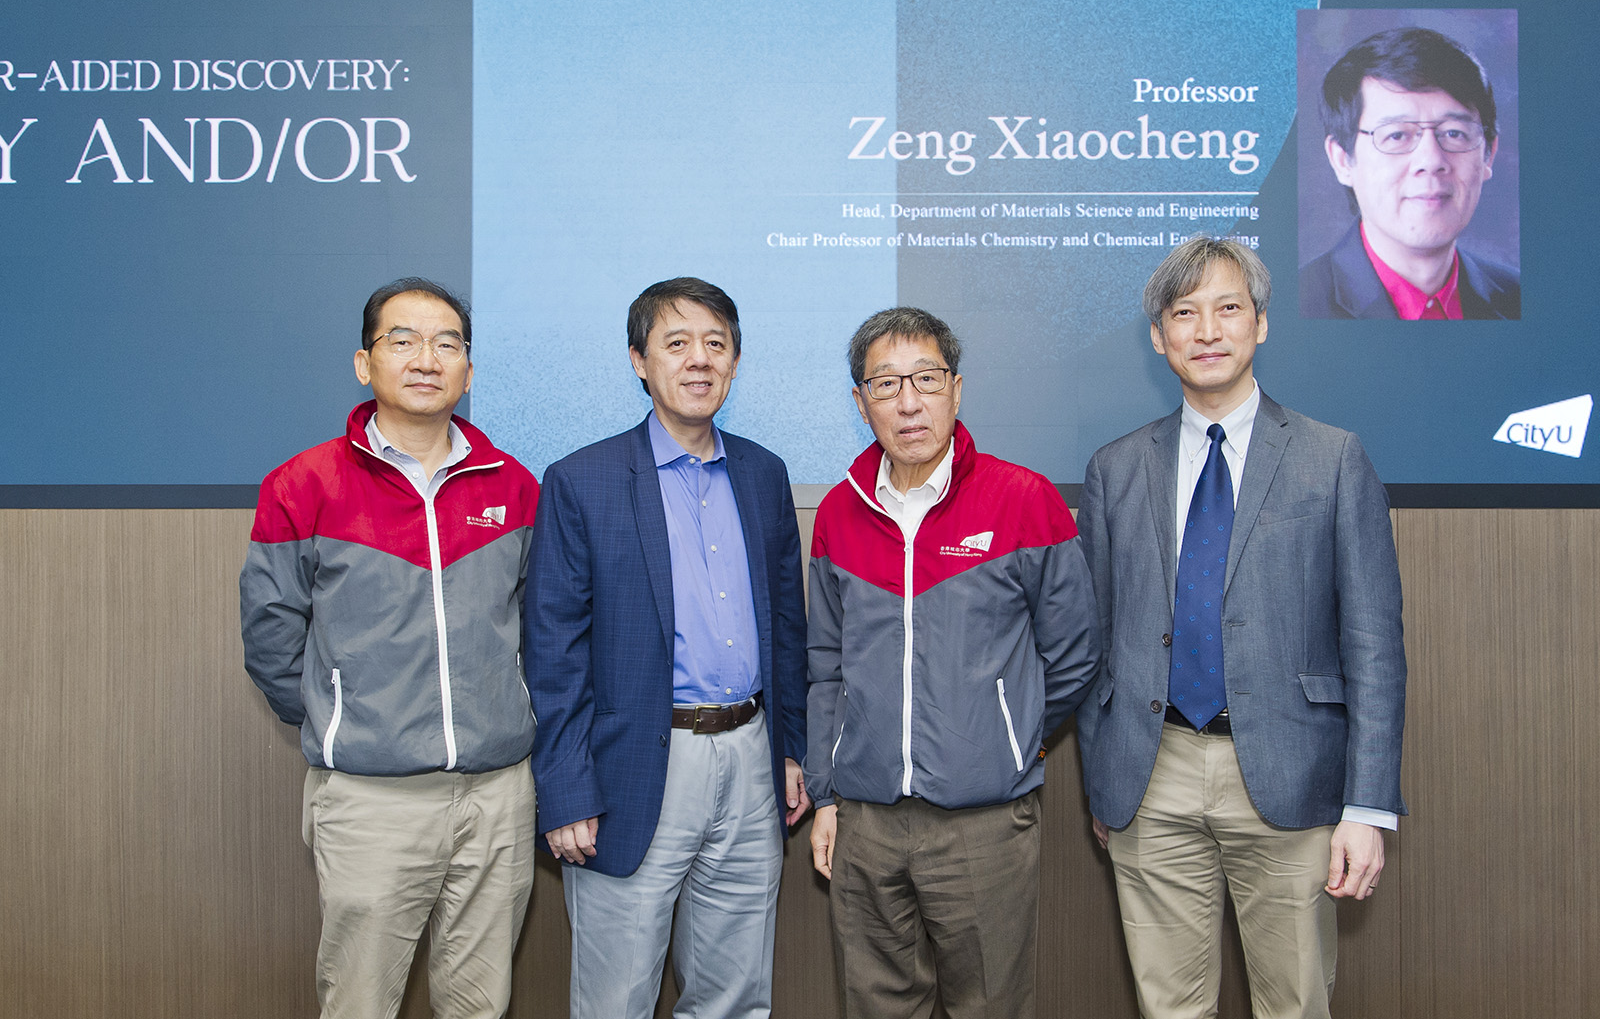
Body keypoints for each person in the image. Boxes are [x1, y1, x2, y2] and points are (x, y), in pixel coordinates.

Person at [1077, 236, 1407, 1019]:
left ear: (1261, 323)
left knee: (1294, 1002)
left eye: (1228, 308)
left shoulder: (1332, 459)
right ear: (1158, 337)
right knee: (1170, 1005)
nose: (1207, 329)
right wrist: (1106, 770)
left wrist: (1367, 807)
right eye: (1184, 313)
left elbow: (1374, 646)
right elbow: (1092, 638)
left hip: (1292, 777)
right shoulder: (1116, 468)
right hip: (1150, 780)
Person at [240, 277, 541, 1019]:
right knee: (360, 1002)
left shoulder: (516, 486)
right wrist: (341, 716)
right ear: (363, 362)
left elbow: (542, 627)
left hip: (498, 794)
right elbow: (271, 639)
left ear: (468, 370)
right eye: (401, 340)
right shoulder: (303, 485)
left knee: (480, 1003)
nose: (426, 358)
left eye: (447, 343)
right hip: (372, 799)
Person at [805, 307, 1101, 1019]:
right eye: (885, 383)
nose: (909, 401)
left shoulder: (1024, 500)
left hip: (984, 822)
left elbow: (1074, 654)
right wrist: (824, 793)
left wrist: (1006, 735)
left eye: (926, 379)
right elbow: (825, 665)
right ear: (860, 402)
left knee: (990, 1005)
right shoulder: (839, 514)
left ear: (957, 389)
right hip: (866, 820)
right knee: (876, 1004)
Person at [526, 277, 809, 1019]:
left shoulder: (763, 473)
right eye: (677, 343)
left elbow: (787, 627)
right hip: (632, 767)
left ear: (736, 362)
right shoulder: (579, 481)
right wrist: (565, 788)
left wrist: (789, 750)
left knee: (735, 997)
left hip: (749, 756)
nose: (699, 360)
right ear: (638, 361)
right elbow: (552, 652)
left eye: (716, 343)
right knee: (617, 999)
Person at [1302, 26, 1519, 319]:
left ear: (1488, 154)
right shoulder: (1296, 305)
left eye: (1454, 133)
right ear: (1342, 160)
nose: (1430, 160)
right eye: (1396, 136)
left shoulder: (1518, 298)